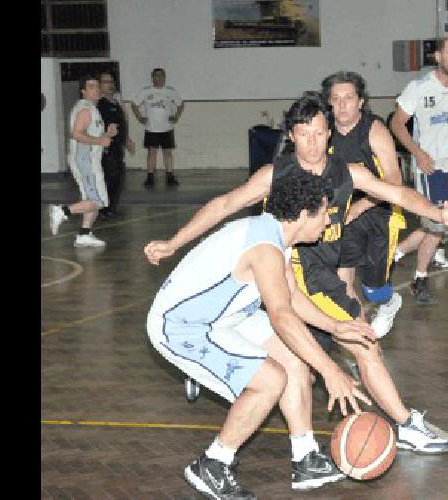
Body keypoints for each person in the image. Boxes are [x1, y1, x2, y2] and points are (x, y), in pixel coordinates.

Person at [145, 91, 448, 456]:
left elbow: (398, 193)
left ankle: (300, 450)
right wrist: (174, 242)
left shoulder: (348, 173)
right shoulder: (276, 174)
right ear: (291, 135)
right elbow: (225, 204)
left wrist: (440, 214)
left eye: (319, 133)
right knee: (363, 343)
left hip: (321, 274)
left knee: (302, 362)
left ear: (329, 133)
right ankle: (405, 424)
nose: (312, 143)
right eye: (304, 134)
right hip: (294, 276)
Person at [146, 167, 377, 498]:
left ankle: (306, 457)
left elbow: (293, 299)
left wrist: (335, 325)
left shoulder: (276, 237)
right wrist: (330, 370)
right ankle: (214, 463)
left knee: (297, 362)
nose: (328, 221)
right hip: (182, 326)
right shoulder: (265, 248)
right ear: (301, 214)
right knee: (270, 380)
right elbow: (282, 316)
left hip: (227, 316)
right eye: (324, 212)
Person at [389, 36, 448, 306]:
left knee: (443, 224)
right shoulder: (419, 87)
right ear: (438, 56)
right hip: (428, 167)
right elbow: (396, 124)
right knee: (437, 224)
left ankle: (398, 254)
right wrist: (417, 154)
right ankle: (419, 277)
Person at [322, 71, 406, 339]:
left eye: (348, 98)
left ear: (360, 101)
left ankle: (389, 302)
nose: (342, 104)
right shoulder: (323, 132)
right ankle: (360, 339)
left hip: (379, 210)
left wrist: (359, 208)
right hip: (342, 214)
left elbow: (394, 179)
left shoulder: (374, 129)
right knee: (342, 280)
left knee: (373, 288)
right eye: (336, 99)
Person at [47, 74, 119, 247]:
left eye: (97, 85)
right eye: (91, 86)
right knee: (99, 201)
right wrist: (101, 141)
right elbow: (77, 134)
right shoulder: (85, 108)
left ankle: (84, 234)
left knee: (91, 199)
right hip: (86, 162)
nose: (96, 89)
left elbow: (90, 136)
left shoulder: (91, 108)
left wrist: (107, 135)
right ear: (83, 91)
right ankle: (62, 211)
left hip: (87, 160)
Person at [133, 68, 183, 188]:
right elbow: (134, 104)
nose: (159, 78)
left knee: (168, 153)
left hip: (167, 128)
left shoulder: (170, 91)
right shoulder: (145, 91)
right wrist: (140, 118)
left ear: (164, 77)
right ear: (152, 77)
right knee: (151, 153)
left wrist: (176, 116)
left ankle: (169, 175)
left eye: (161, 76)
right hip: (151, 129)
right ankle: (150, 177)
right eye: (156, 76)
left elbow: (180, 104)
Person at [97, 72, 135, 219]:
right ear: (100, 85)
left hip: (117, 147)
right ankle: (103, 209)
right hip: (106, 148)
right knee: (109, 177)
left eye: (111, 81)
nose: (110, 84)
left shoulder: (116, 104)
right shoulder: (100, 105)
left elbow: (121, 124)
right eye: (106, 82)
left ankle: (111, 207)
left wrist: (127, 140)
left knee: (118, 178)